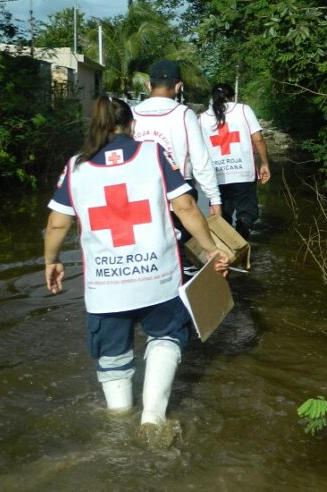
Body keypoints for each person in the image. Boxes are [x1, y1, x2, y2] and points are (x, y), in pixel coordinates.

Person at [43, 96, 229, 436]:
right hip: (157, 278)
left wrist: (51, 260)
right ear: (132, 125)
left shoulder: (75, 167)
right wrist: (211, 249)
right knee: (166, 335)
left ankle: (117, 423)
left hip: (105, 287)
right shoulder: (152, 154)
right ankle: (153, 419)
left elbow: (57, 223)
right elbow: (186, 206)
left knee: (112, 356)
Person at [132, 60, 222, 226]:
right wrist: (214, 198)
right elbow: (200, 161)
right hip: (179, 194)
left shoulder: (131, 114)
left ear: (148, 85)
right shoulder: (184, 114)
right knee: (179, 248)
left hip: (138, 194)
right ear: (179, 86)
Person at [198, 83, 271, 240]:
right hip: (244, 173)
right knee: (247, 213)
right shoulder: (243, 110)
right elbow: (257, 139)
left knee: (221, 216)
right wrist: (265, 163)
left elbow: (199, 150)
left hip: (217, 176)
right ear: (232, 97)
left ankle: (227, 252)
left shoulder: (203, 118)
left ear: (213, 98)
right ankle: (242, 239)